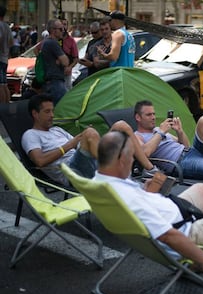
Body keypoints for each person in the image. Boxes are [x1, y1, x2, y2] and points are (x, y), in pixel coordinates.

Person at [95, 130, 203, 287]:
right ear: (122, 159)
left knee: (202, 188)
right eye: (131, 157)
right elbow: (168, 236)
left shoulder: (102, 180)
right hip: (183, 233)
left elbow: (140, 208)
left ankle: (194, 264)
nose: (132, 162)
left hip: (173, 214)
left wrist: (147, 193)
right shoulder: (127, 196)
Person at [21, 94, 156, 186]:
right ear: (35, 114)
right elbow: (40, 161)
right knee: (90, 133)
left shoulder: (57, 130)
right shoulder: (30, 135)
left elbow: (79, 146)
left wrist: (85, 138)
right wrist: (70, 144)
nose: (52, 115)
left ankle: (150, 169)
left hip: (86, 161)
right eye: (47, 112)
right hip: (72, 171)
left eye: (52, 111)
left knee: (121, 126)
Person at [40, 19, 69, 105]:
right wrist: (61, 60)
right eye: (60, 29)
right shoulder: (52, 43)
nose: (63, 31)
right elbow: (66, 62)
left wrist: (60, 60)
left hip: (51, 81)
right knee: (61, 109)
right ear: (53, 30)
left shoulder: (46, 42)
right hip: (55, 82)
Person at [60, 18, 79, 90]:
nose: (63, 27)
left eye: (64, 24)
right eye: (61, 24)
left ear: (67, 26)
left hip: (66, 73)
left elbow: (76, 59)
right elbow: (37, 50)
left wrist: (69, 67)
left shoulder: (71, 41)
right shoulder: (52, 39)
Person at [0, 5, 13, 103]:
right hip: (4, 58)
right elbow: (11, 43)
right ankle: (7, 107)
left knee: (0, 85)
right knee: (4, 84)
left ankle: (2, 108)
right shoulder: (7, 26)